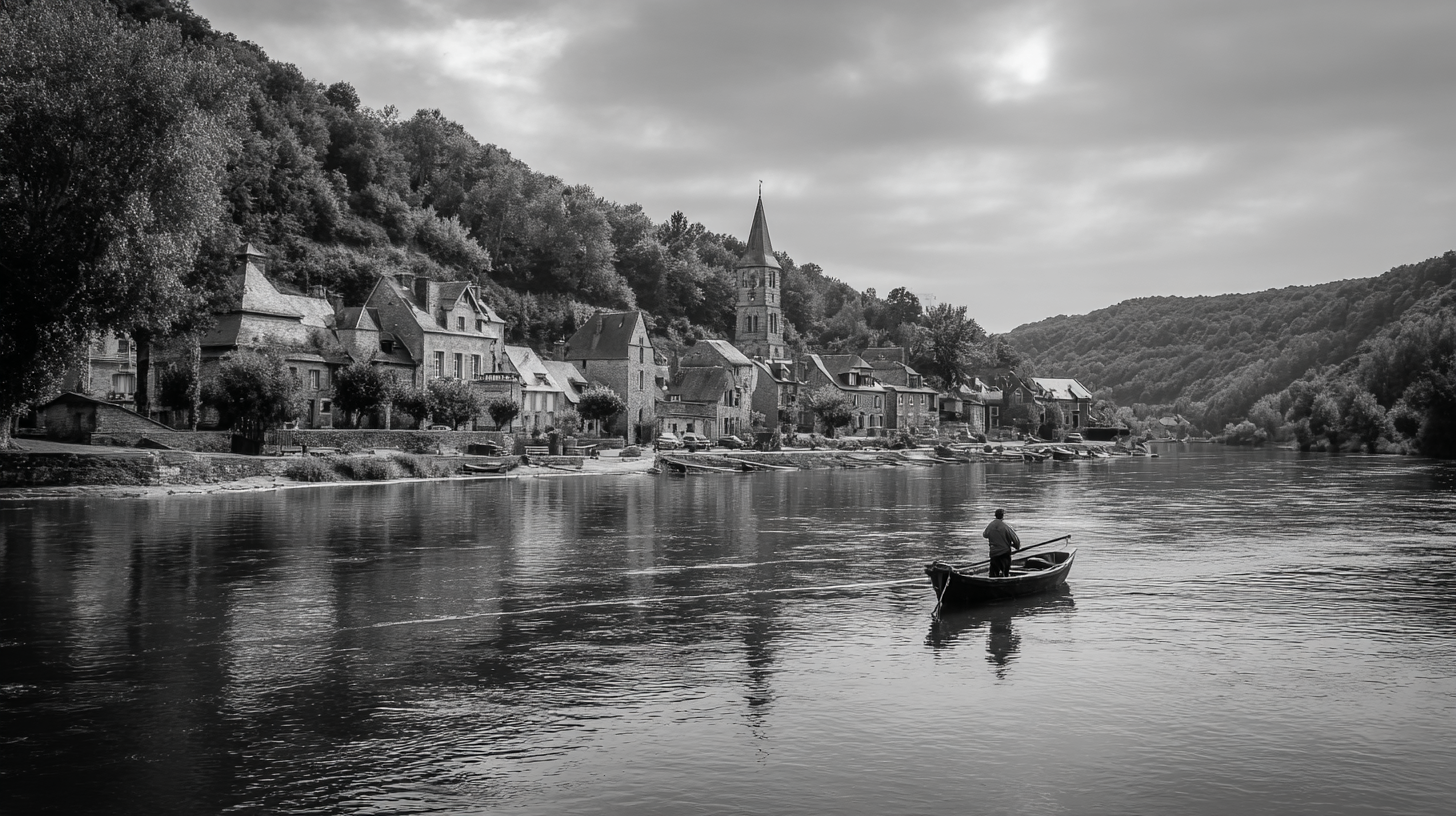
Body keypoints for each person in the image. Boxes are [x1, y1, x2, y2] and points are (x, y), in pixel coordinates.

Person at [982, 508, 1022, 578]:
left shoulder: (990, 525)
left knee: (993, 574)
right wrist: (1016, 547)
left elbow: (985, 535)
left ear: (995, 515)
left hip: (994, 553)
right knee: (1005, 573)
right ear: (1003, 516)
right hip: (1004, 553)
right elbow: (1016, 540)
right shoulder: (1006, 527)